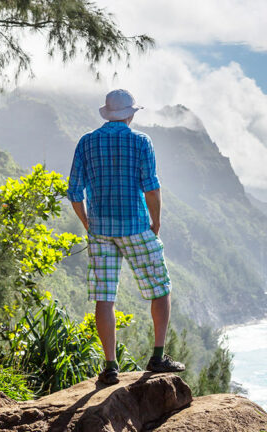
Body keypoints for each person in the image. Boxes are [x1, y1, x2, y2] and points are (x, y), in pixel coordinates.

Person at [67, 89, 186, 385]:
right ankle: (157, 357)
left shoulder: (86, 142)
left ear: (107, 114)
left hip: (100, 230)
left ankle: (110, 366)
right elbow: (151, 187)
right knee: (160, 287)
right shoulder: (141, 141)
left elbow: (73, 191)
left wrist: (87, 223)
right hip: (135, 225)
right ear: (131, 114)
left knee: (104, 297)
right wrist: (155, 221)